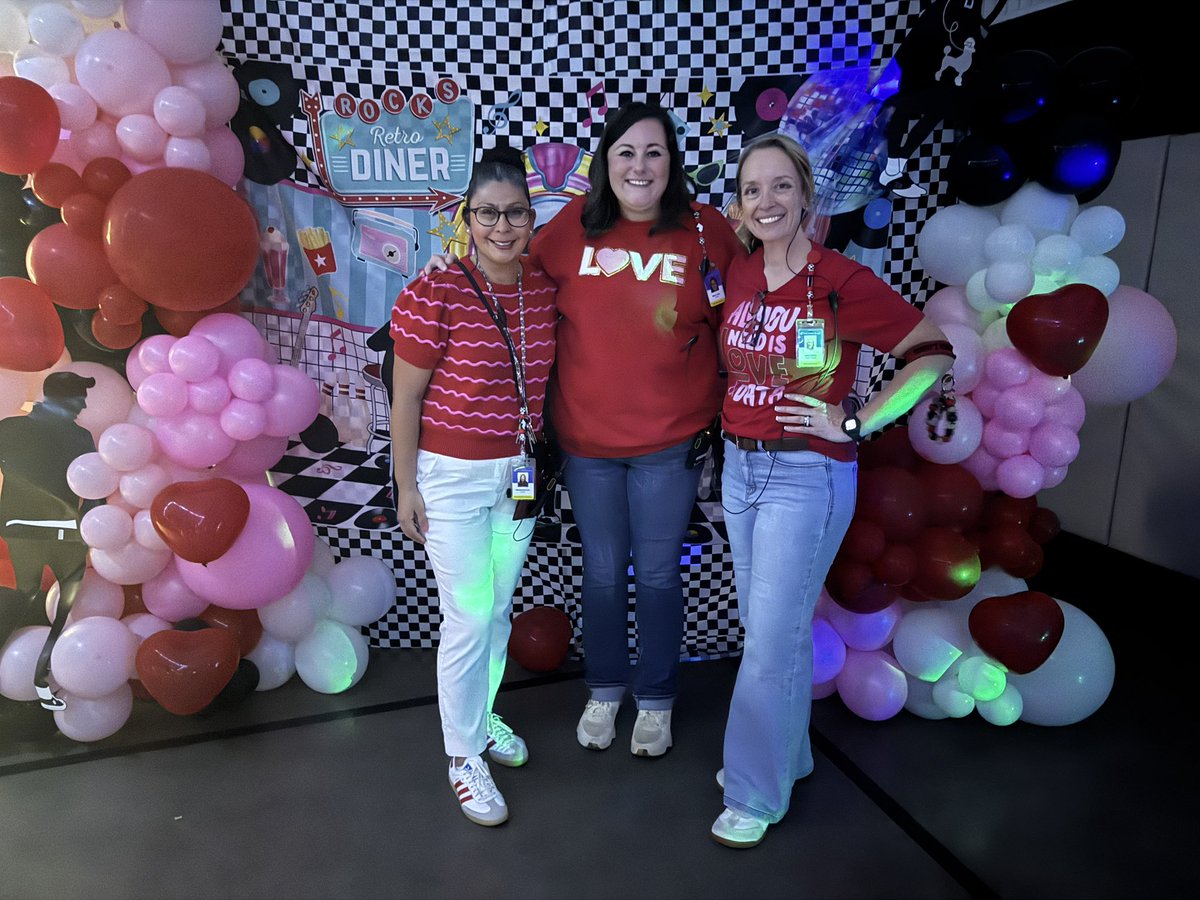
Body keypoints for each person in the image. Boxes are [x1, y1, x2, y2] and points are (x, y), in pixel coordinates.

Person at [426, 101, 744, 759]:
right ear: (606, 163)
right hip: (585, 447)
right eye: (626, 152)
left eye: (654, 152)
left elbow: (745, 310)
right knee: (601, 574)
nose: (640, 166)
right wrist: (448, 270)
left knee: (656, 576)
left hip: (669, 444)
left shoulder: (706, 231)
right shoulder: (573, 226)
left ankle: (654, 700)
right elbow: (505, 272)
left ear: (672, 163)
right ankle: (605, 688)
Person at [712, 134, 954, 848]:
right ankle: (788, 755)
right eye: (753, 190)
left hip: (805, 473)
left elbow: (932, 350)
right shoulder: (741, 272)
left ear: (807, 196)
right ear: (740, 204)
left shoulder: (840, 279)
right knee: (772, 635)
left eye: (781, 186)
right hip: (740, 467)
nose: (767, 202)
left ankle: (755, 795)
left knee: (767, 644)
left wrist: (857, 417)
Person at [389, 146, 557, 827]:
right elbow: (405, 400)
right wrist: (405, 488)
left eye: (514, 211)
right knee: (467, 615)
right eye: (487, 212)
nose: (501, 225)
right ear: (467, 216)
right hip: (451, 478)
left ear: (530, 216)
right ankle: (463, 758)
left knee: (497, 611)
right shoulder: (435, 289)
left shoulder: (543, 288)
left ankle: (483, 719)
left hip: (517, 473)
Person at [0, 371, 100, 710]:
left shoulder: (9, 428)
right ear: (64, 399)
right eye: (79, 396)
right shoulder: (81, 438)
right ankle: (42, 681)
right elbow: (94, 491)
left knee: (25, 595)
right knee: (61, 607)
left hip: (20, 528)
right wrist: (93, 532)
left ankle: (40, 679)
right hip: (61, 532)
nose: (84, 403)